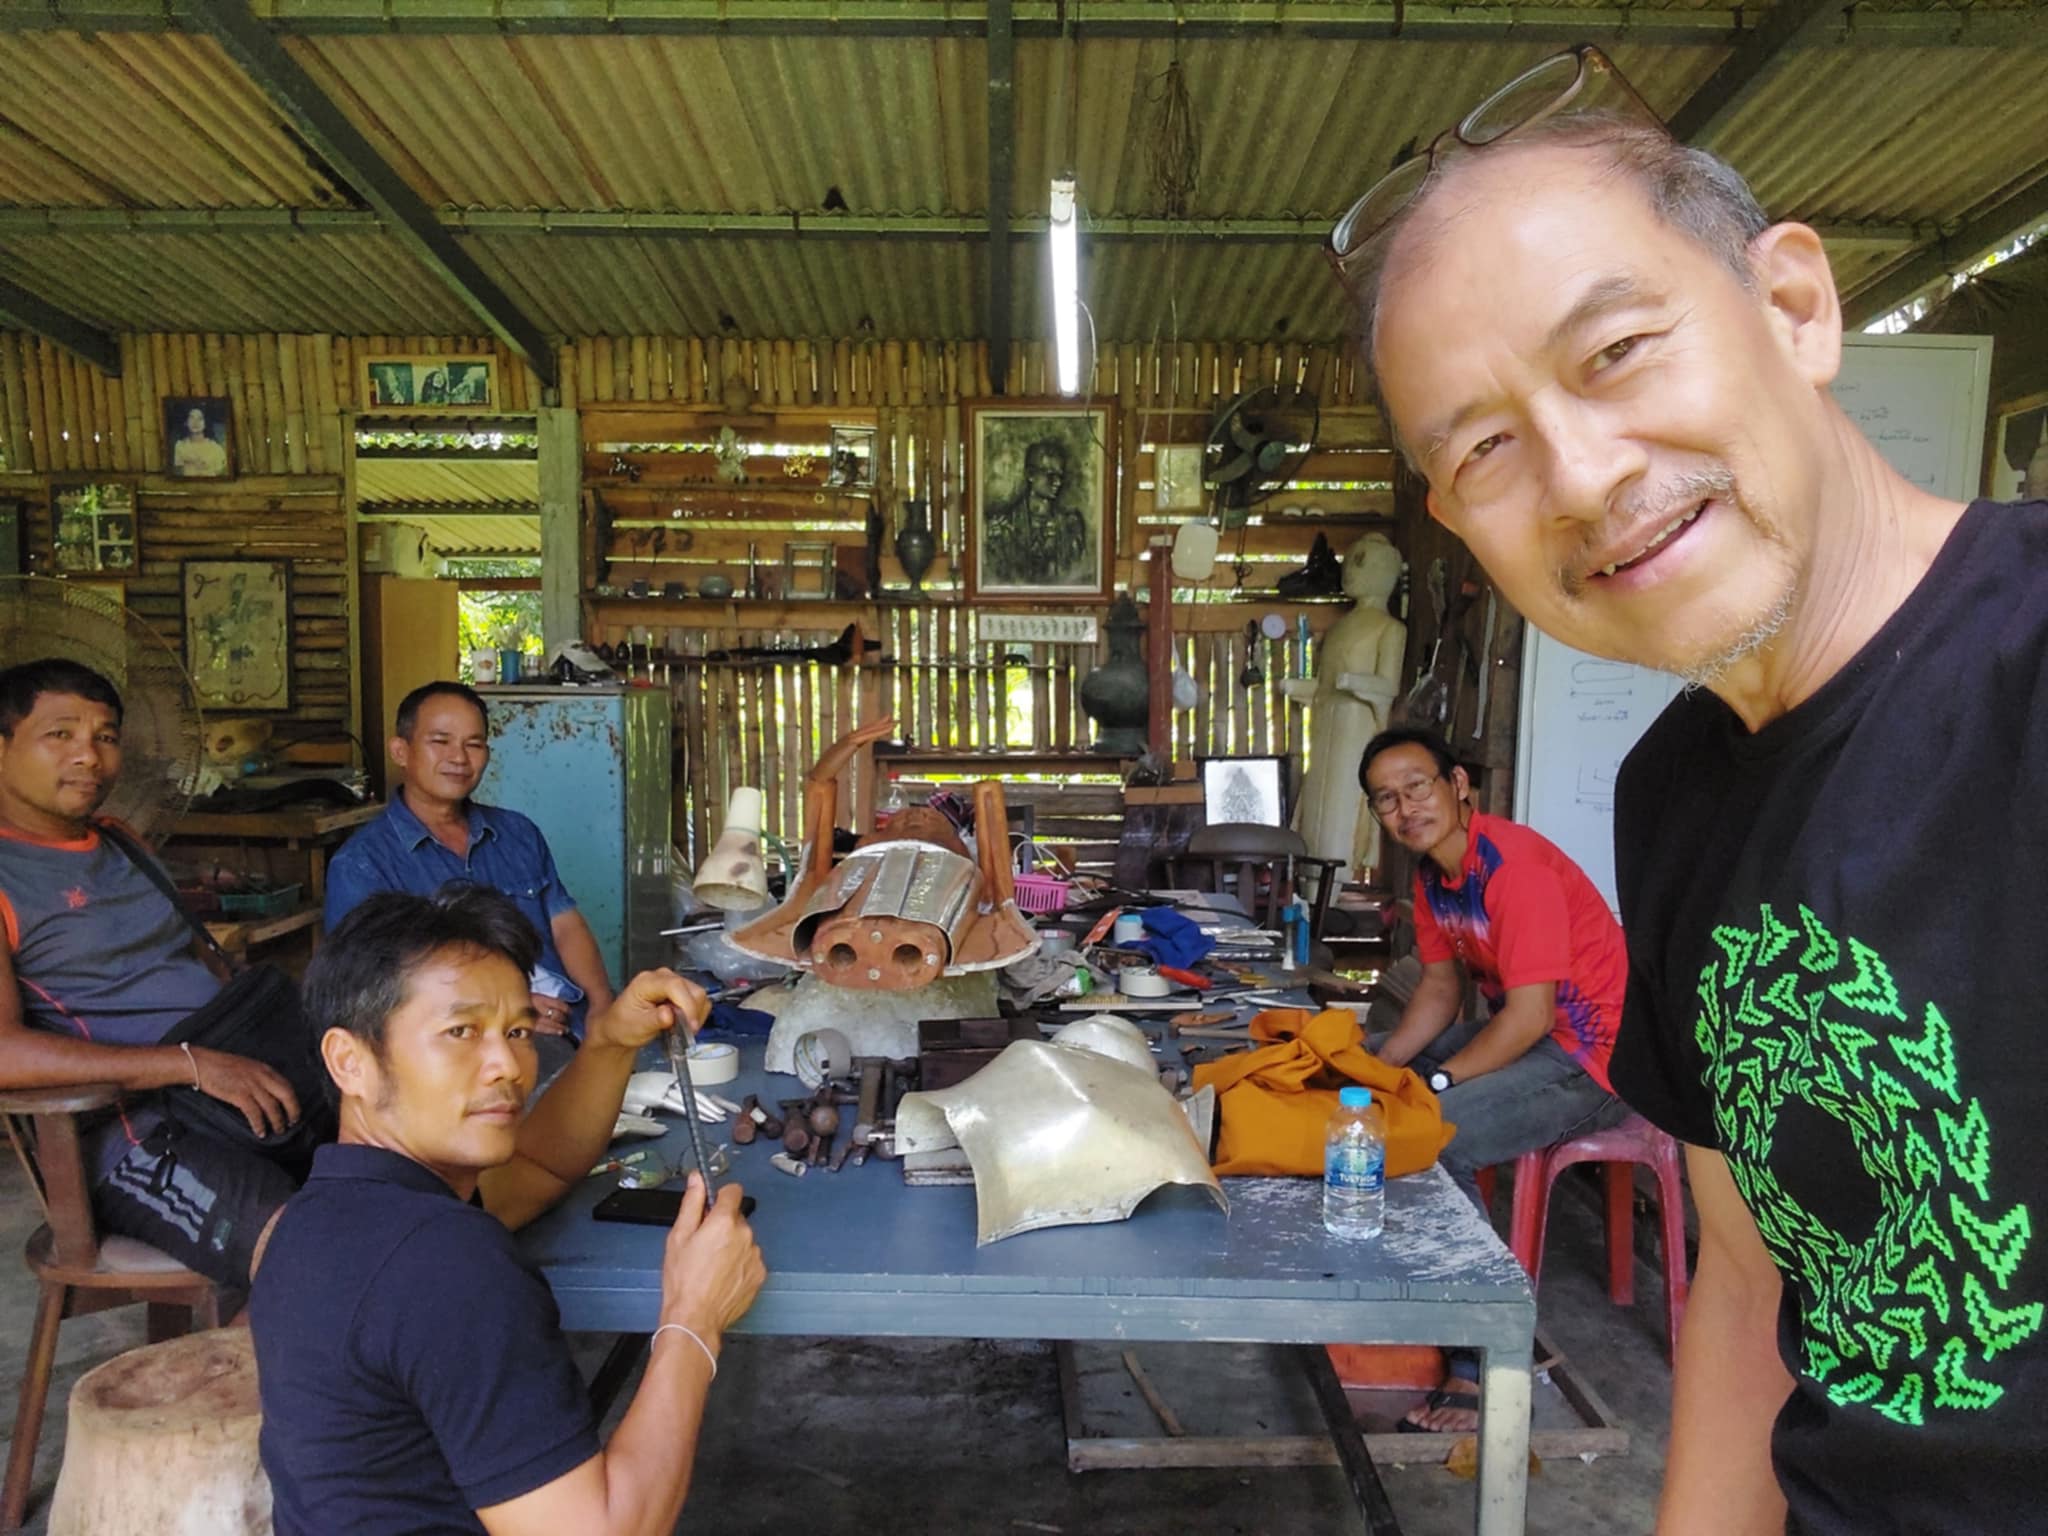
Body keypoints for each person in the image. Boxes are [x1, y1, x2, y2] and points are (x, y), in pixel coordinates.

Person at [1332, 43, 2048, 1533]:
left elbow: (1524, 1015)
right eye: (1486, 447)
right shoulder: (1674, 794)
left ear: (1793, 308)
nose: (1582, 476)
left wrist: (1421, 1086)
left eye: (1615, 352)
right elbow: (1749, 1285)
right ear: (1459, 520)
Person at [252, 887, 766, 1534]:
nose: (509, 1067)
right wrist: (693, 1318)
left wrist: (610, 1042)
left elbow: (541, 1167)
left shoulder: (320, 1216)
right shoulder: (448, 1264)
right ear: (349, 1062)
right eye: (461, 1032)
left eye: (518, 1031)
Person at [0, 658, 312, 1292]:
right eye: (60, 734)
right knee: (308, 1246)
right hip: (134, 1138)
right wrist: (191, 1064)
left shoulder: (122, 841)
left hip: (232, 1089)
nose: (89, 756)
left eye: (106, 736)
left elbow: (197, 959)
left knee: (412, 1170)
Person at [1360, 725, 1628, 1431]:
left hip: (1593, 1056)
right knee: (1369, 1059)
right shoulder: (1433, 878)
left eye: (1417, 786)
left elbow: (1531, 1016)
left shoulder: (1514, 868)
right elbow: (1438, 990)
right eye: (1386, 799)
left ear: (1458, 785)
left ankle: (1479, 1358)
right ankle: (1394, 1278)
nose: (1405, 808)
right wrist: (1379, 1067)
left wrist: (1436, 1085)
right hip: (1534, 1037)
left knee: (1437, 1136)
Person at [325, 682, 615, 1073]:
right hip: (471, 1044)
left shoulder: (517, 833)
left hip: (568, 1014)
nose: (459, 758)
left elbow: (566, 925)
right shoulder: (362, 864)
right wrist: (508, 1012)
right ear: (401, 751)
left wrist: (602, 1006)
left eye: (473, 744)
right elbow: (369, 988)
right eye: (440, 741)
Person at [982, 439, 1091, 587]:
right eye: (1050, 475)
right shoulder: (1004, 525)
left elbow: (1075, 574)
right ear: (1030, 474)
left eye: (1060, 476)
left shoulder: (1070, 525)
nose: (1057, 482)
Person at [171, 405, 227, 478]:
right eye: (191, 418)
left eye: (200, 418)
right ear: (186, 422)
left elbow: (219, 473)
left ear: (205, 423)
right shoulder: (180, 446)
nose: (195, 422)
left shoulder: (215, 448)